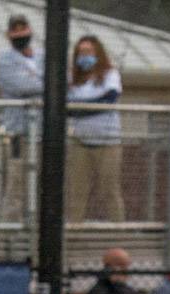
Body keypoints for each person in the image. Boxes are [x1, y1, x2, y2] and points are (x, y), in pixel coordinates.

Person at [66, 35, 124, 222]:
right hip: (81, 142)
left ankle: (118, 231)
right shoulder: (73, 79)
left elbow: (109, 99)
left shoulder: (110, 74)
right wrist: (83, 109)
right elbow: (67, 108)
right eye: (81, 52)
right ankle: (73, 231)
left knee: (109, 190)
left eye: (89, 52)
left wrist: (80, 109)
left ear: (98, 53)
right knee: (77, 192)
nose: (85, 56)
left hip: (107, 142)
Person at [0, 14, 43, 222]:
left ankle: (40, 227)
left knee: (43, 184)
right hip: (19, 132)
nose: (20, 34)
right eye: (15, 30)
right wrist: (45, 83)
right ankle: (10, 229)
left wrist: (39, 82)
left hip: (44, 132)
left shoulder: (43, 56)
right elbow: (20, 87)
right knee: (17, 183)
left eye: (24, 29)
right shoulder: (5, 60)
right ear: (8, 34)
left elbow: (63, 80)